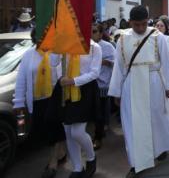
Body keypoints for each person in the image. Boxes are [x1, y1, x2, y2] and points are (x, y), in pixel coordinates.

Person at [108, 6, 169, 177]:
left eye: (143, 24)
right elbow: (118, 67)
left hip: (154, 82)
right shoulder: (122, 39)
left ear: (147, 21)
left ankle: (160, 147)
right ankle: (137, 161)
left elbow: (167, 63)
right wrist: (116, 91)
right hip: (131, 85)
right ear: (130, 22)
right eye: (136, 25)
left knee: (156, 118)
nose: (140, 28)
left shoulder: (158, 37)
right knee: (132, 123)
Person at [13, 28, 66, 178]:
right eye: (38, 35)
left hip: (54, 98)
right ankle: (61, 153)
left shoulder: (56, 53)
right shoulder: (28, 55)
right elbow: (21, 80)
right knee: (46, 131)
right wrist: (18, 102)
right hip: (37, 100)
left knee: (53, 128)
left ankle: (52, 162)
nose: (41, 38)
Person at [47, 40, 102, 177]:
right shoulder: (66, 44)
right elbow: (53, 63)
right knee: (68, 130)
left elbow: (95, 73)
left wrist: (74, 81)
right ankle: (77, 167)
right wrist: (57, 46)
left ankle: (91, 157)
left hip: (84, 90)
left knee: (77, 132)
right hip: (65, 89)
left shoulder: (94, 47)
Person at [91, 23, 116, 151]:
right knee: (94, 111)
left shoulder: (108, 47)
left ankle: (98, 135)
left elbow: (115, 63)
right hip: (89, 83)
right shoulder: (86, 46)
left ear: (101, 34)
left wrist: (103, 61)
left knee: (100, 109)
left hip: (103, 82)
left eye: (94, 31)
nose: (91, 34)